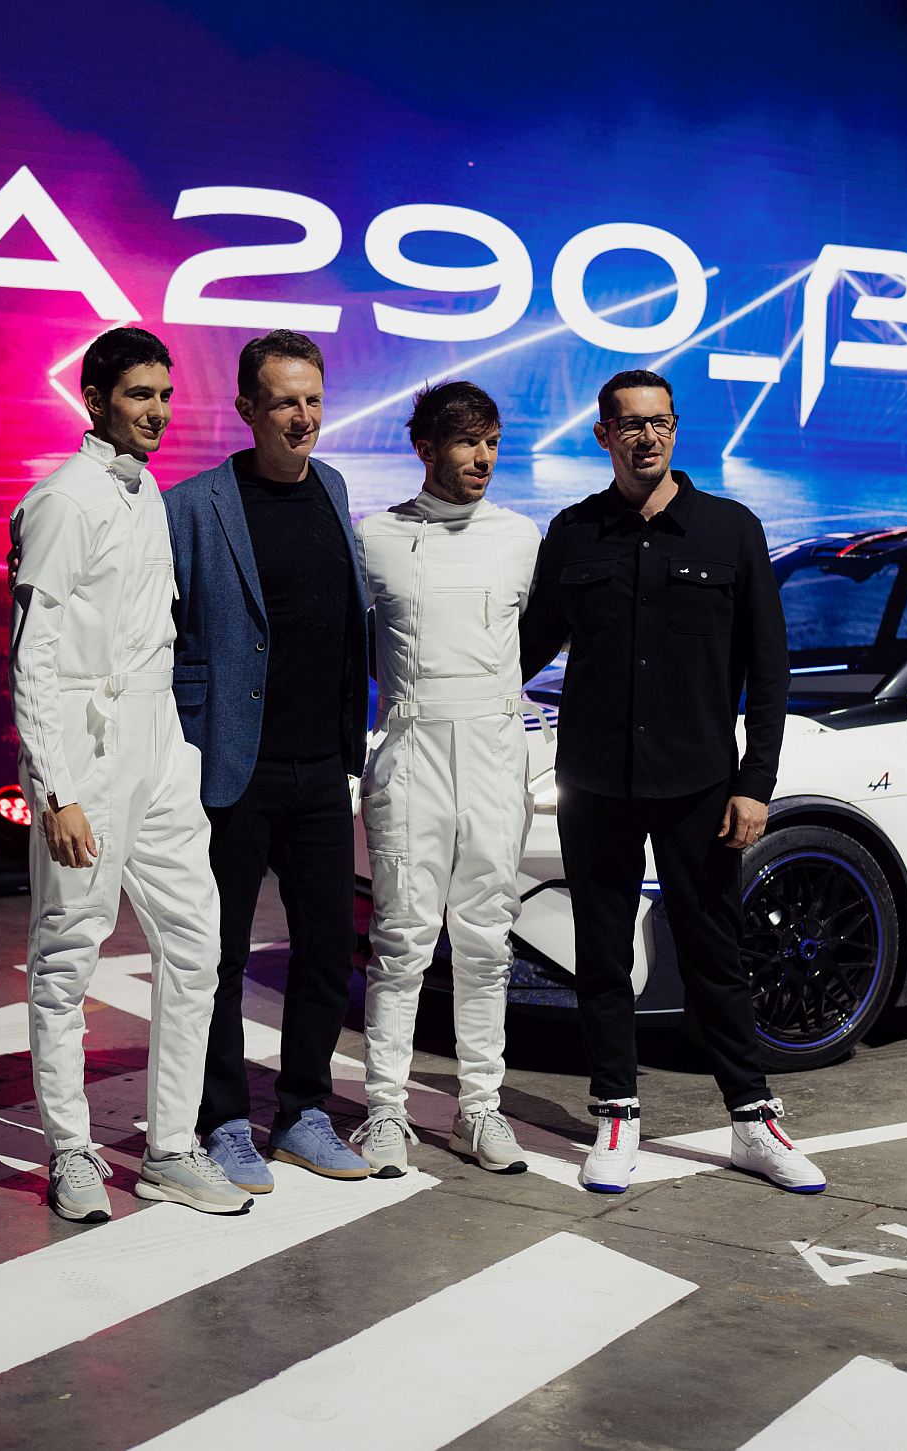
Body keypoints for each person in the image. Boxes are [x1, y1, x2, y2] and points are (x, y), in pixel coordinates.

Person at [518, 369, 825, 1194]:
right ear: (603, 436)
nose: (646, 436)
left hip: (701, 784)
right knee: (601, 955)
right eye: (630, 424)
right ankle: (617, 1112)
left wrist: (756, 781)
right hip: (596, 782)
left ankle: (753, 1119)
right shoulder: (574, 532)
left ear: (676, 429)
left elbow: (769, 670)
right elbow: (526, 647)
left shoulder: (730, 529)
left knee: (714, 952)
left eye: (659, 422)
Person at [9, 325, 250, 1221]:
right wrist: (56, 788)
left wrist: (174, 746)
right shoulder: (62, 501)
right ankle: (71, 1149)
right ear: (95, 400)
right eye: (139, 395)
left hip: (158, 744)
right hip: (85, 745)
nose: (157, 411)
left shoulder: (146, 491)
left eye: (164, 394)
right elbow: (32, 655)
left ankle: (171, 1148)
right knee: (68, 948)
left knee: (196, 940)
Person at [162, 330, 374, 1191]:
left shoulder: (334, 488)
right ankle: (220, 1119)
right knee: (218, 954)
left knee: (327, 950)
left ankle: (302, 1112)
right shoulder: (194, 505)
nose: (303, 416)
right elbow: (161, 634)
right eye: (285, 401)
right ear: (247, 408)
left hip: (321, 764)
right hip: (231, 764)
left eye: (313, 399)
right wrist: (183, 734)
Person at [351, 381, 540, 1177]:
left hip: (496, 751)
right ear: (425, 448)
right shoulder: (375, 538)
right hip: (412, 749)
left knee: (487, 941)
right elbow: (352, 650)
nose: (483, 457)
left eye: (492, 441)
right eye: (467, 442)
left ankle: (480, 1108)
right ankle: (385, 1110)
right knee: (401, 941)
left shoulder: (522, 536)